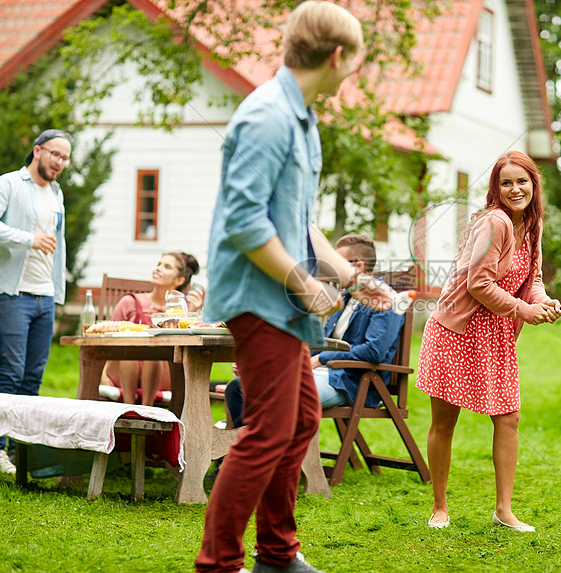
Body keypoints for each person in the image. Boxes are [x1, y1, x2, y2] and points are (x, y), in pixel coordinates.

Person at [195, 5, 390, 573]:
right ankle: (219, 564)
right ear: (337, 57)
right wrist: (303, 283)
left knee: (301, 421)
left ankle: (278, 555)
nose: (354, 70)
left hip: (281, 297)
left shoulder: (302, 119)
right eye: (355, 60)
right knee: (267, 432)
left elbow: (299, 221)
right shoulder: (267, 117)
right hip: (258, 298)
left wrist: (352, 279)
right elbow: (244, 222)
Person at [416, 151, 561, 532]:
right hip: (457, 331)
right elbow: (477, 284)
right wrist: (524, 311)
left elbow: (532, 278)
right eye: (506, 182)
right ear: (496, 189)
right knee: (445, 421)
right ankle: (439, 507)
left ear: (534, 184)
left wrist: (541, 301)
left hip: (496, 334)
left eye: (522, 181)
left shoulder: (532, 225)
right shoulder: (494, 223)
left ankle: (504, 510)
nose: (515, 189)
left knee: (509, 419)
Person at [223, 234, 404, 427]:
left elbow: (374, 351)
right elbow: (319, 342)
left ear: (357, 266)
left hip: (352, 383)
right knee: (237, 387)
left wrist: (320, 359)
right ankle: (248, 453)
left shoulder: (385, 300)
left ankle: (263, 453)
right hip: (320, 374)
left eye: (336, 262)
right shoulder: (344, 297)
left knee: (279, 396)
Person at [0, 128, 73, 474]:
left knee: (33, 377)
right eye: (55, 154)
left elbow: (57, 247)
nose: (60, 162)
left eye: (65, 157)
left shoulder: (56, 193)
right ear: (37, 151)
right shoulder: (9, 184)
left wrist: (58, 289)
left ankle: (20, 450)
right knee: (11, 373)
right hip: (12, 293)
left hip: (45, 295)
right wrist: (27, 239)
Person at [100, 252, 203, 406]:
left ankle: (146, 408)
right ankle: (129, 408)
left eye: (167, 267)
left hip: (162, 373)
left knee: (154, 351)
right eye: (159, 264)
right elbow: (105, 340)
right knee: (133, 347)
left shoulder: (183, 311)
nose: (158, 269)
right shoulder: (129, 302)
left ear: (179, 280)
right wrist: (101, 374)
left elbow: (189, 349)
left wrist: (191, 313)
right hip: (122, 370)